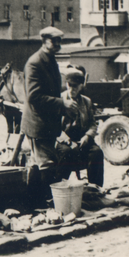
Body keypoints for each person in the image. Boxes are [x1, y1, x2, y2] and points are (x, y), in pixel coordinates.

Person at [21, 27, 79, 205]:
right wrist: (62, 103)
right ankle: (44, 204)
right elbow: (34, 97)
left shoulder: (50, 61)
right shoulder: (34, 63)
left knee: (43, 165)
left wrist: (63, 108)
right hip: (38, 124)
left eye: (60, 41)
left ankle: (36, 203)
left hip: (49, 123)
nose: (58, 45)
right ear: (44, 41)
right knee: (46, 165)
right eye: (54, 41)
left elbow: (52, 91)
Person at [56, 68, 104, 186]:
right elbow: (53, 125)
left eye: (75, 86)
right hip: (64, 139)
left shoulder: (87, 102)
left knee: (96, 152)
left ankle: (95, 188)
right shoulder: (59, 100)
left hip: (82, 140)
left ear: (81, 86)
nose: (72, 89)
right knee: (66, 153)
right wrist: (66, 139)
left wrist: (87, 136)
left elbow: (93, 123)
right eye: (69, 85)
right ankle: (60, 187)